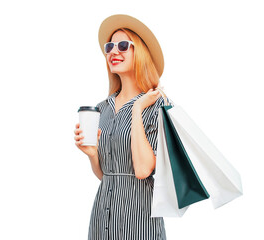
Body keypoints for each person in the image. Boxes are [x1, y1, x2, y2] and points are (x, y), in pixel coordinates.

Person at [74, 14, 173, 240]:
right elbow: (106, 175)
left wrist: (137, 109)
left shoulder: (158, 105)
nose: (113, 52)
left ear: (140, 53)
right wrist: (92, 155)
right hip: (102, 218)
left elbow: (142, 170)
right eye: (109, 46)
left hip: (138, 222)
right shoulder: (102, 109)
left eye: (122, 45)